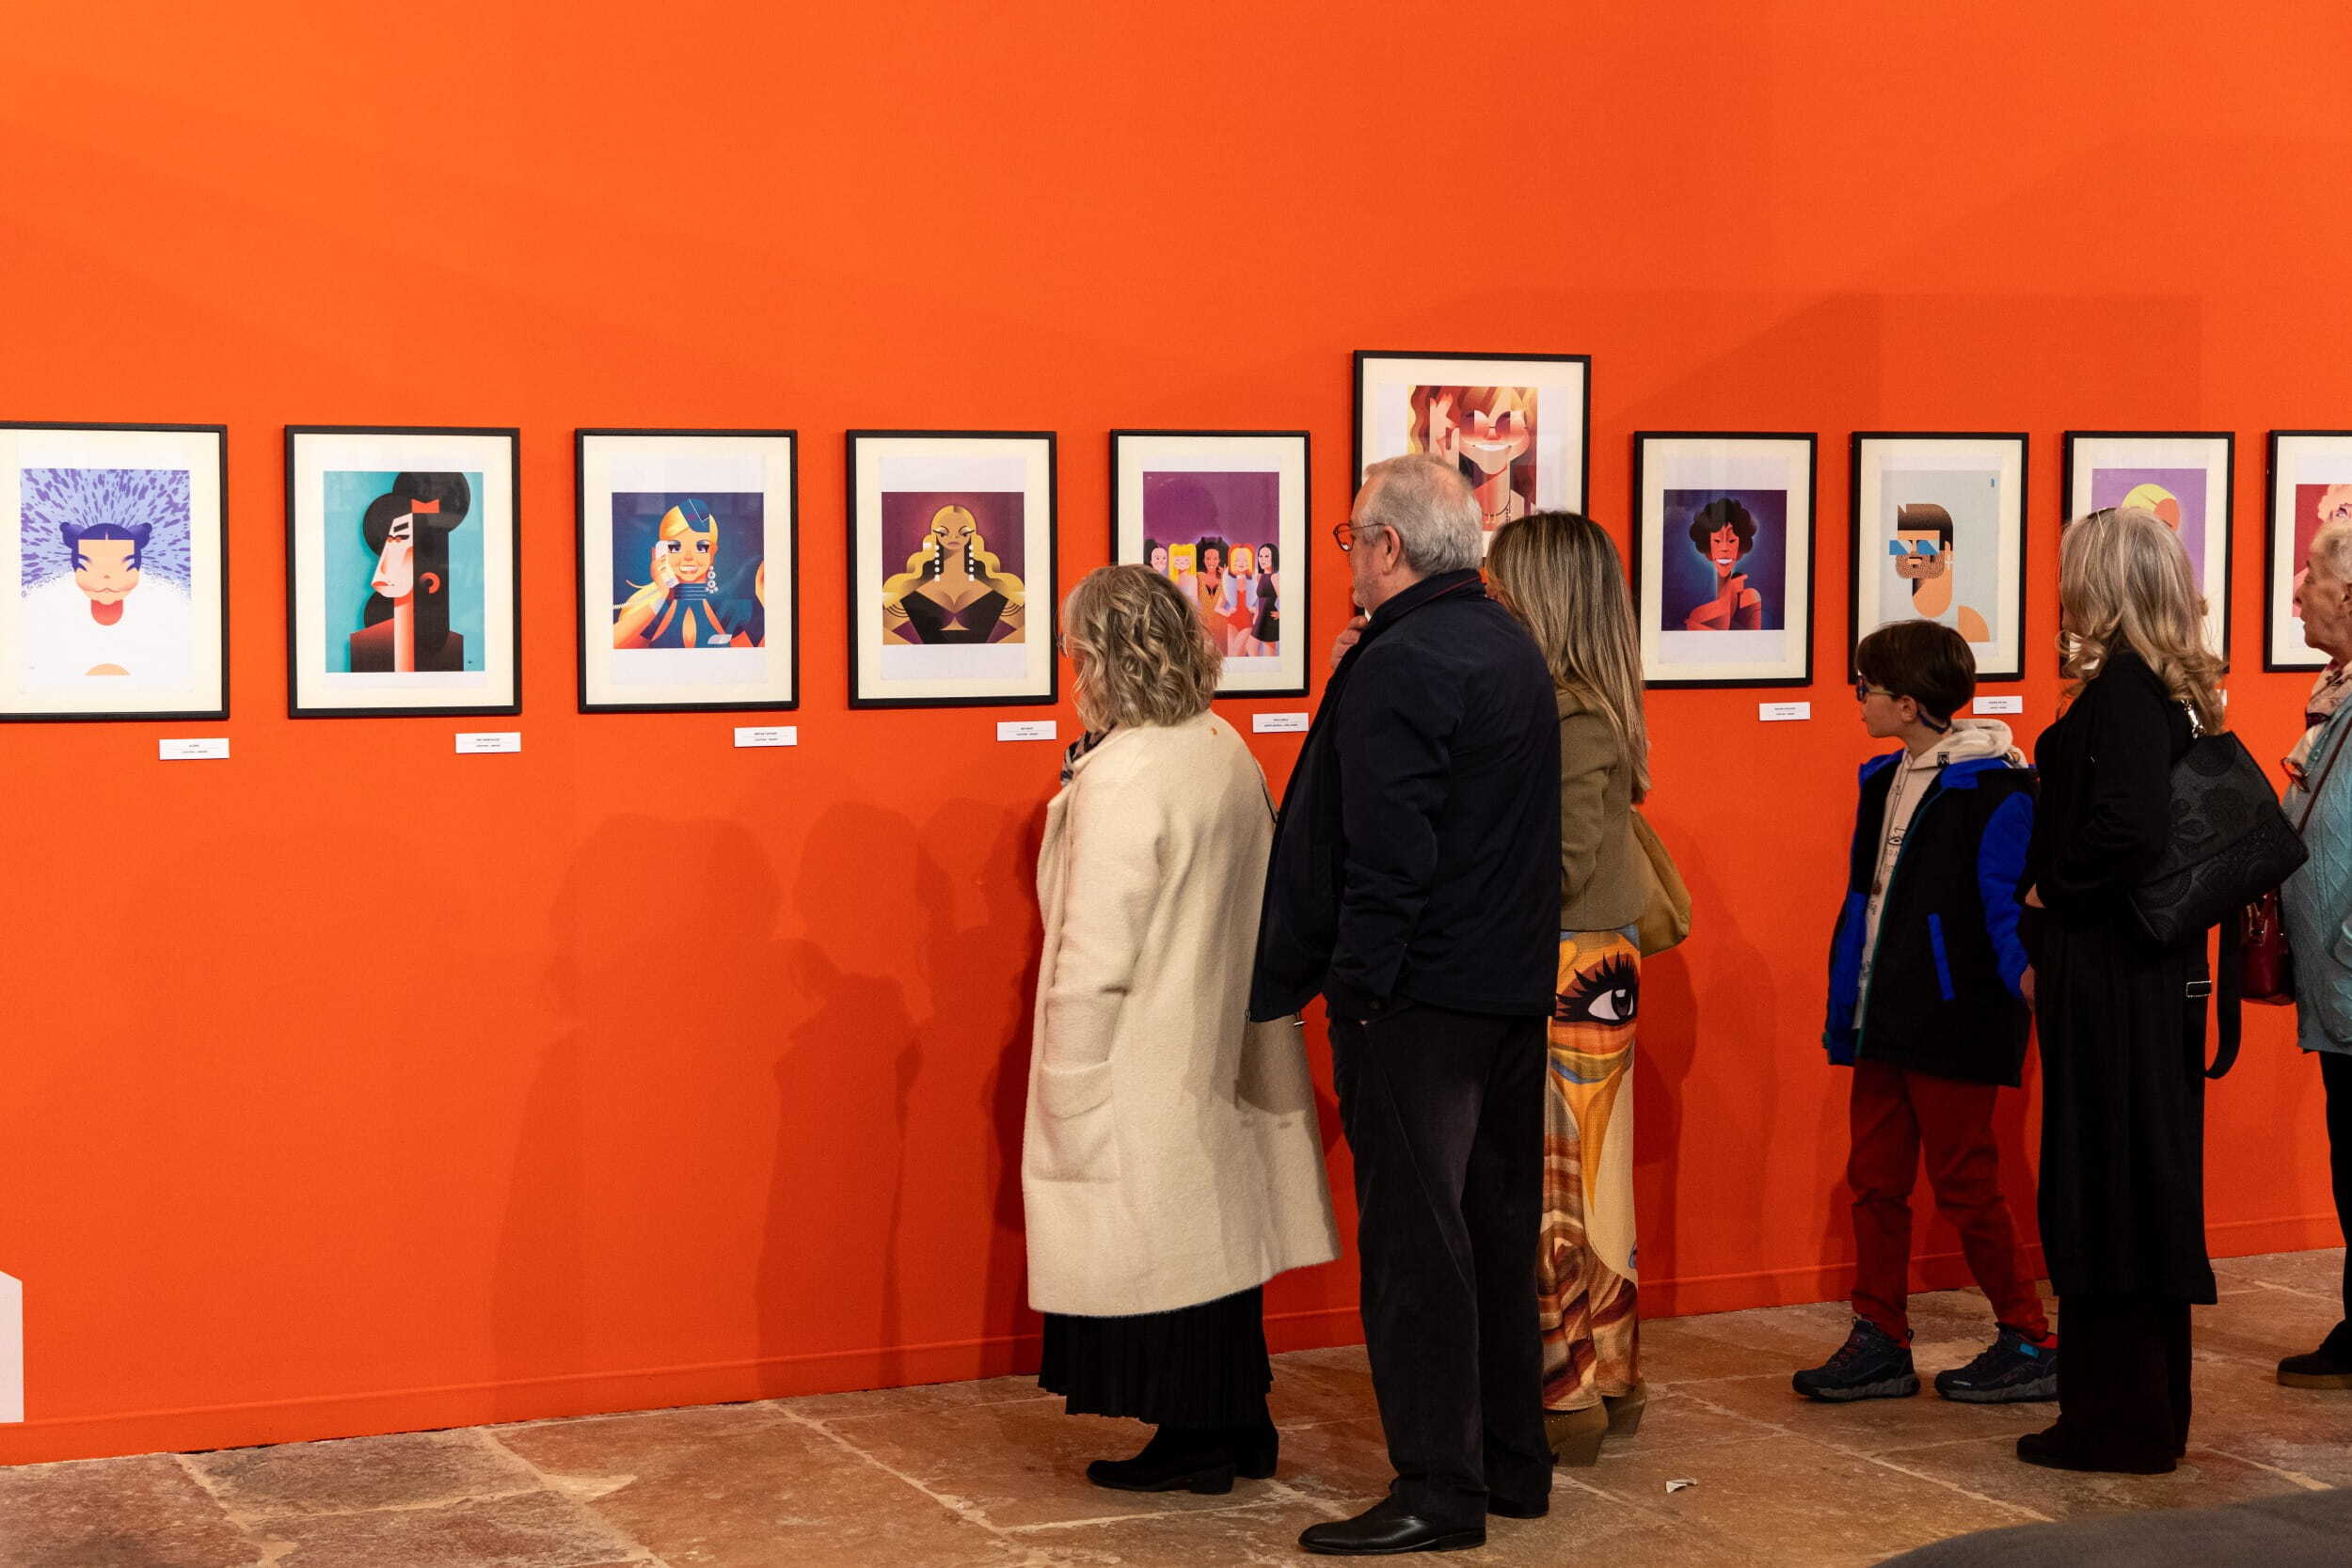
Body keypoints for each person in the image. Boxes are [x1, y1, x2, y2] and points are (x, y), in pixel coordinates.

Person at [1252, 452, 1561, 1555]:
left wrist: (1359, 986)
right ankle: (1510, 1463)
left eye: (1350, 538)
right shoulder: (1505, 641)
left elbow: (1387, 848)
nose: (1347, 557)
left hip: (1417, 1000)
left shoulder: (1405, 657)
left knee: (1418, 1252)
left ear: (1387, 546)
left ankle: (1437, 1485)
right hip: (1505, 989)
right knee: (1491, 1232)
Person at [1023, 564, 1338, 1496]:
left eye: (1075, 649)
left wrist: (1068, 1073)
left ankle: (1195, 1437)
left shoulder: (1126, 774)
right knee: (1215, 1248)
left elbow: (1094, 951)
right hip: (1216, 1039)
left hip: (1144, 1053)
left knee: (1162, 1258)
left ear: (1103, 655)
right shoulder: (1220, 744)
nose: (1070, 666)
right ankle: (1239, 1421)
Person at [1798, 620, 2056, 1406]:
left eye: (1866, 687)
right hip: (1883, 1012)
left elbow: (2004, 908)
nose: (1859, 699)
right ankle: (1881, 1335)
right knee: (1873, 1180)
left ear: (1908, 703)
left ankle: (2030, 1336)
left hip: (1954, 1018)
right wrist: (1849, 997)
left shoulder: (2000, 790)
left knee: (1965, 1181)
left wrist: (2023, 990)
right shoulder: (1884, 778)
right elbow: (1865, 899)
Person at [2017, 506, 2224, 1474]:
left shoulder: (2125, 695)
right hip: (2136, 972)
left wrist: (2050, 886)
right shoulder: (2155, 691)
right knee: (2132, 1180)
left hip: (2112, 976)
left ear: (2099, 583)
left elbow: (2128, 830)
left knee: (2107, 1183)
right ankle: (2137, 1412)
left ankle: (2116, 1420)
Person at [1484, 512, 1653, 1466]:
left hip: (1569, 967)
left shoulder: (1572, 713)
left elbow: (1555, 863)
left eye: (1502, 584)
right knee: (1584, 1183)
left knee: (1564, 1187)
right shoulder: (1577, 705)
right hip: (1579, 960)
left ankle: (1570, 1389)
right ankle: (1602, 1379)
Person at [2276, 518, 2352, 1391]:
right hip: (2337, 983)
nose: (2298, 590)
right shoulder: (2333, 694)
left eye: (2310, 574)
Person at [348, 472, 470, 673]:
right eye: (390, 541)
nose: (382, 570)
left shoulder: (450, 648)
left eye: (399, 540)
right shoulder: (371, 643)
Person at [612, 500, 761, 649]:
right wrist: (662, 594)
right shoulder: (654, 612)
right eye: (675, 547)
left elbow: (754, 660)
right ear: (659, 553)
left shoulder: (726, 612)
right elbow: (610, 651)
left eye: (701, 547)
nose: (688, 557)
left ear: (712, 554)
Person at [880, 504, 1026, 645]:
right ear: (935, 535)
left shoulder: (992, 594)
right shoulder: (915, 595)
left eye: (963, 532)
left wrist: (995, 652)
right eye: (944, 532)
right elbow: (880, 631)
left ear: (972, 535)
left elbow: (1028, 628)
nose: (954, 536)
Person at [1889, 502, 1991, 643]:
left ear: (1946, 551)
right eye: (1904, 545)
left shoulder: (1972, 622)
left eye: (1924, 545)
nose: (1913, 554)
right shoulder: (1894, 626)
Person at [1682, 497, 1764, 630]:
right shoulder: (1698, 615)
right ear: (1708, 546)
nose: (1724, 548)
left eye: (1731, 541)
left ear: (1740, 547)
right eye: (1717, 541)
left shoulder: (1750, 598)